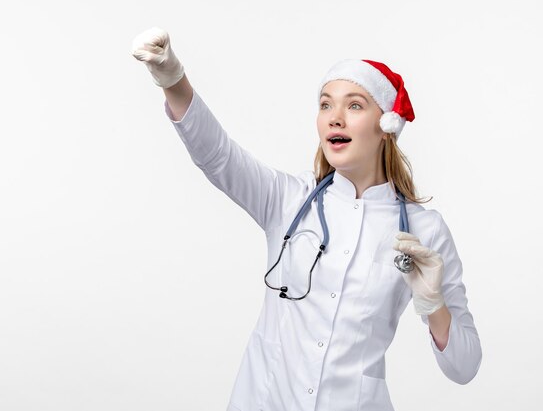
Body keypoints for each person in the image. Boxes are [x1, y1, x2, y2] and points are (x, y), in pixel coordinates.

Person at [132, 27, 482, 411]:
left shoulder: (423, 231)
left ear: (386, 126)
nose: (335, 118)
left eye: (354, 106)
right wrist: (173, 80)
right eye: (325, 105)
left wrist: (434, 306)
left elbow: (465, 367)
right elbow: (217, 156)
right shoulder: (288, 200)